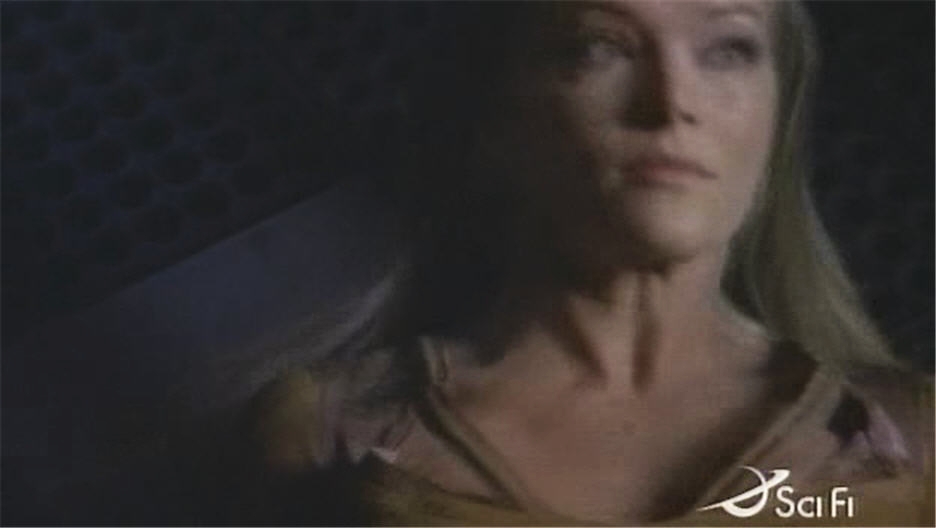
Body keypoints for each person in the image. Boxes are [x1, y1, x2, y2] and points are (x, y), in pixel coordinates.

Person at [221, 1, 933, 525]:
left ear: (777, 113)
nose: (672, 102)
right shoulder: (332, 433)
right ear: (496, 114)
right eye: (600, 47)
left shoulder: (907, 438)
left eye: (728, 50)